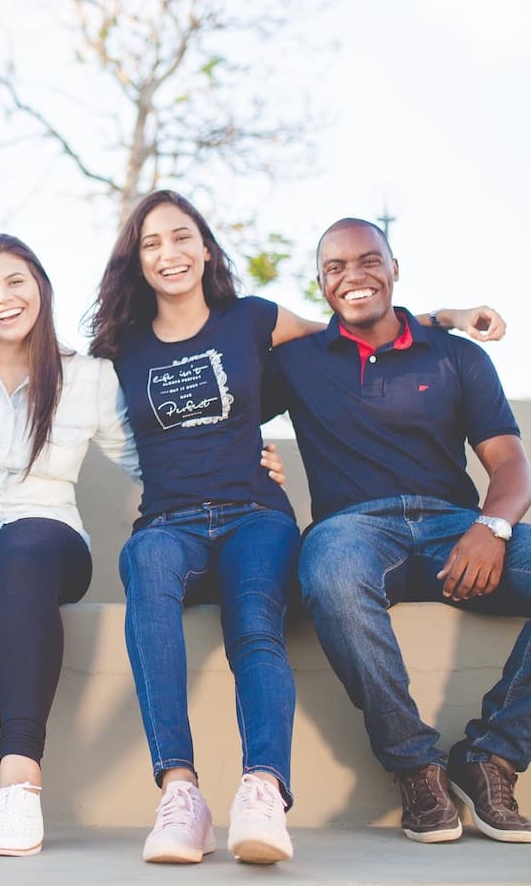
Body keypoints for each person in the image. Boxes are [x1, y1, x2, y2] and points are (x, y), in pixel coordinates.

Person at [87, 190, 495, 867]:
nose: (170, 253)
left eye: (182, 236)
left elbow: (354, 327)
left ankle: (264, 789)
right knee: (146, 570)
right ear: (136, 260)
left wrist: (444, 317)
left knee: (255, 622)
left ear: (206, 248)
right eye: (152, 243)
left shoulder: (252, 319)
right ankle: (181, 793)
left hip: (255, 513)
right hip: (168, 521)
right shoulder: (117, 349)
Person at [0, 233, 220, 856]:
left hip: (47, 539)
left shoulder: (88, 378)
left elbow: (149, 460)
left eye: (15, 281)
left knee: (23, 552)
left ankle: (20, 781)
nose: (3, 298)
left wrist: (239, 471)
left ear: (41, 287)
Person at [266, 217, 531, 844]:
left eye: (367, 261)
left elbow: (510, 462)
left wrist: (492, 527)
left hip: (457, 529)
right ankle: (416, 766)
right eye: (335, 267)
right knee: (328, 572)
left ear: (393, 267)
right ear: (322, 283)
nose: (353, 276)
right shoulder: (297, 362)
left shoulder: (456, 355)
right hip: (352, 531)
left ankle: (491, 756)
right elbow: (219, 391)